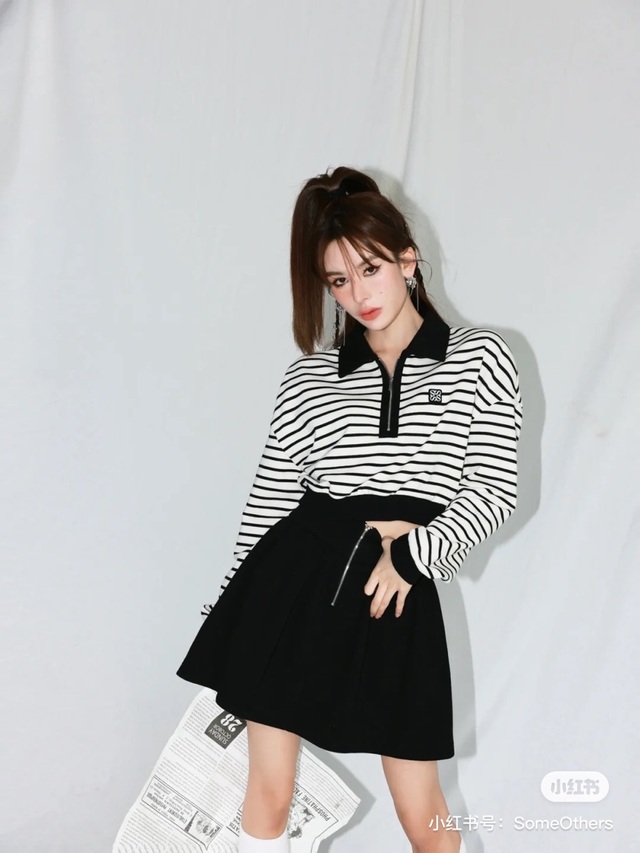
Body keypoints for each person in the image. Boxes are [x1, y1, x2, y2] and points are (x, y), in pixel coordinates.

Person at [177, 166, 523, 853]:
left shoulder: (481, 357)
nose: (358, 294)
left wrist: (412, 556)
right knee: (268, 792)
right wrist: (229, 613)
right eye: (338, 280)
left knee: (422, 808)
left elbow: (492, 489)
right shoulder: (308, 378)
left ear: (407, 261)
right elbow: (269, 506)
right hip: (293, 583)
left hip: (396, 590)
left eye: (370, 269)